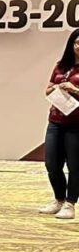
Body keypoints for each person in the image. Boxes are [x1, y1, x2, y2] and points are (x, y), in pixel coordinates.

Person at [40, 28, 79, 219]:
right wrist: (54, 88)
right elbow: (47, 89)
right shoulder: (61, 66)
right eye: (77, 43)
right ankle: (59, 200)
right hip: (55, 120)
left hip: (76, 124)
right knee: (51, 163)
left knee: (75, 164)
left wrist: (75, 89)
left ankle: (71, 204)